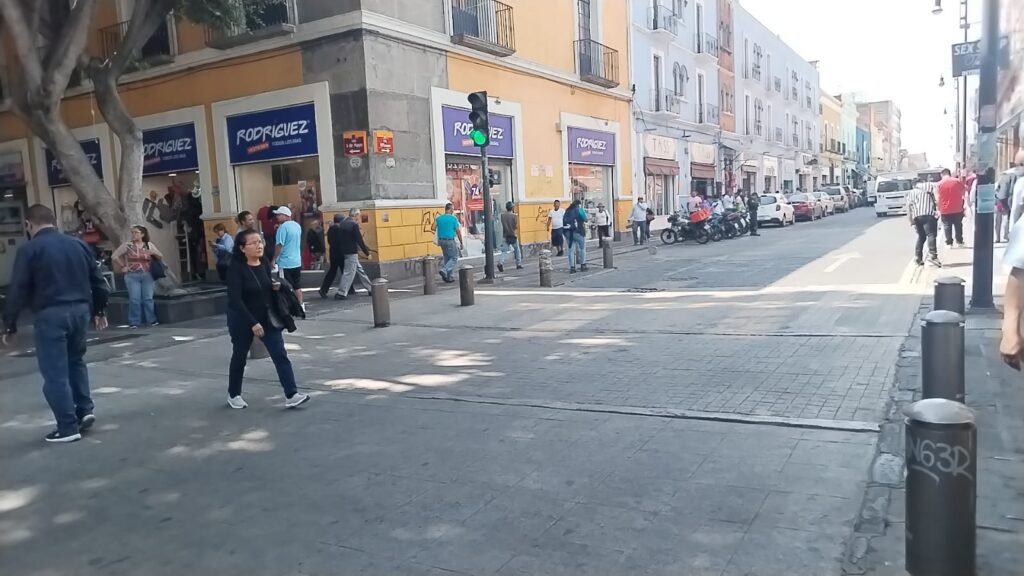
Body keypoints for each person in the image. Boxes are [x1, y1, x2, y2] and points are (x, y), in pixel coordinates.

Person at [2, 205, 109, 443]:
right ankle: (85, 410)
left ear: (28, 225)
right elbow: (98, 280)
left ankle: (67, 427)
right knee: (76, 362)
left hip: (51, 314)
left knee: (55, 372)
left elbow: (18, 289)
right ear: (55, 220)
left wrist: (9, 324)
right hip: (81, 310)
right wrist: (99, 309)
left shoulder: (30, 249)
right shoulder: (79, 244)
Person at [225, 228, 310, 410]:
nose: (259, 246)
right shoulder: (235, 268)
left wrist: (276, 286)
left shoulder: (263, 262)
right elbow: (235, 299)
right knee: (239, 356)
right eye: (253, 243)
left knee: (280, 355)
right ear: (242, 248)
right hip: (242, 319)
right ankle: (234, 394)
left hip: (267, 317)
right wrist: (252, 322)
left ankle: (291, 394)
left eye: (260, 241)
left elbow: (264, 285)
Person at [112, 225, 163, 328]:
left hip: (147, 274)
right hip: (132, 275)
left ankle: (151, 320)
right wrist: (123, 266)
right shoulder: (127, 245)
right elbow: (114, 256)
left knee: (148, 298)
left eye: (136, 232)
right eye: (132, 232)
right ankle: (134, 321)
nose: (133, 235)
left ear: (142, 234)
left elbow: (160, 256)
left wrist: (153, 252)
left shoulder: (148, 245)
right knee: (134, 299)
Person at [335, 209, 373, 300]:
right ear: (355, 215)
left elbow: (339, 239)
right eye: (359, 215)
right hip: (352, 252)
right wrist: (367, 253)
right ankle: (342, 292)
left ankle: (371, 288)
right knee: (349, 273)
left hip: (344, 252)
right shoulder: (353, 225)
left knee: (360, 270)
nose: (359, 218)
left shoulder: (342, 224)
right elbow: (359, 240)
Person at [271, 206, 304, 311]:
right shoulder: (297, 226)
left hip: (285, 262)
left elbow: (279, 245)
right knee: (297, 285)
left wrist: (273, 259)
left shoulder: (283, 228)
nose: (277, 217)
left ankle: (290, 306)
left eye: (279, 215)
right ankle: (300, 305)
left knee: (285, 285)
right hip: (296, 260)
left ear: (285, 215)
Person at [906, 182, 942, 267]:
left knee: (921, 236)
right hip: (928, 214)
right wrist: (938, 209)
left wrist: (910, 221)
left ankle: (918, 257)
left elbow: (908, 208)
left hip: (917, 217)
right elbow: (938, 198)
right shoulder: (929, 186)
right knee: (931, 235)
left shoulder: (911, 193)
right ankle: (933, 256)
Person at [936, 168, 966, 248]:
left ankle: (949, 243)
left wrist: (938, 209)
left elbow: (937, 198)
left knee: (947, 226)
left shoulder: (939, 184)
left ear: (942, 175)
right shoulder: (957, 181)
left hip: (944, 209)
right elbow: (963, 193)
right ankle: (959, 241)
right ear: (949, 173)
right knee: (958, 225)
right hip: (957, 207)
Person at [318, 214, 346, 298]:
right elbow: (341, 241)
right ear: (341, 221)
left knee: (333, 271)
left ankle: (323, 289)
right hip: (340, 253)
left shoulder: (330, 229)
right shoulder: (339, 229)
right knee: (345, 272)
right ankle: (349, 289)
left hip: (332, 253)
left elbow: (330, 241)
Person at [435, 203, 463, 283]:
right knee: (454, 257)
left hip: (441, 241)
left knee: (447, 257)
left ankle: (448, 277)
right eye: (452, 209)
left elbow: (433, 227)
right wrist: (461, 242)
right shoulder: (453, 219)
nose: (453, 211)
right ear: (450, 209)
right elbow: (458, 231)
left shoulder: (439, 218)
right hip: (449, 240)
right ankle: (444, 270)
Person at [564, 199, 588, 273]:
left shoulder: (567, 211)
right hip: (578, 232)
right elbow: (585, 219)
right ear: (578, 205)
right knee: (582, 248)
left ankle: (572, 267)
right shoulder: (579, 210)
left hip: (568, 233)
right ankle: (583, 265)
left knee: (571, 250)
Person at [498, 201, 522, 272]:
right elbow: (516, 226)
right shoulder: (514, 216)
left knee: (504, 251)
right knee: (517, 250)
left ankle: (500, 262)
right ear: (512, 208)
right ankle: (518, 264)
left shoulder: (502, 216)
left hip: (505, 235)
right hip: (512, 235)